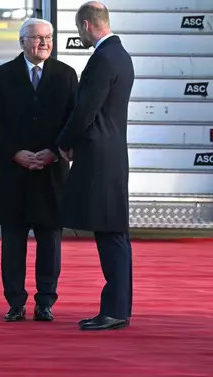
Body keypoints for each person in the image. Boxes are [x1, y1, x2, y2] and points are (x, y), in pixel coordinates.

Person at [0, 18, 78, 322]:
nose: (44, 43)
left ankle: (46, 301)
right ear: (22, 41)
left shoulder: (66, 75)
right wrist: (15, 153)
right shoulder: (2, 75)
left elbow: (73, 120)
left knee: (50, 240)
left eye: (48, 37)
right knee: (13, 241)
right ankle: (15, 301)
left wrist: (54, 152)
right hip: (14, 172)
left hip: (51, 171)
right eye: (37, 38)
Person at [56, 1, 135, 331]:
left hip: (99, 157)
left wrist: (64, 141)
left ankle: (115, 309)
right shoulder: (121, 55)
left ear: (87, 25)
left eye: (79, 29)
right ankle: (117, 307)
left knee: (110, 233)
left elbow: (87, 110)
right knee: (114, 233)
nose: (80, 35)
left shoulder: (103, 59)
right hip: (111, 154)